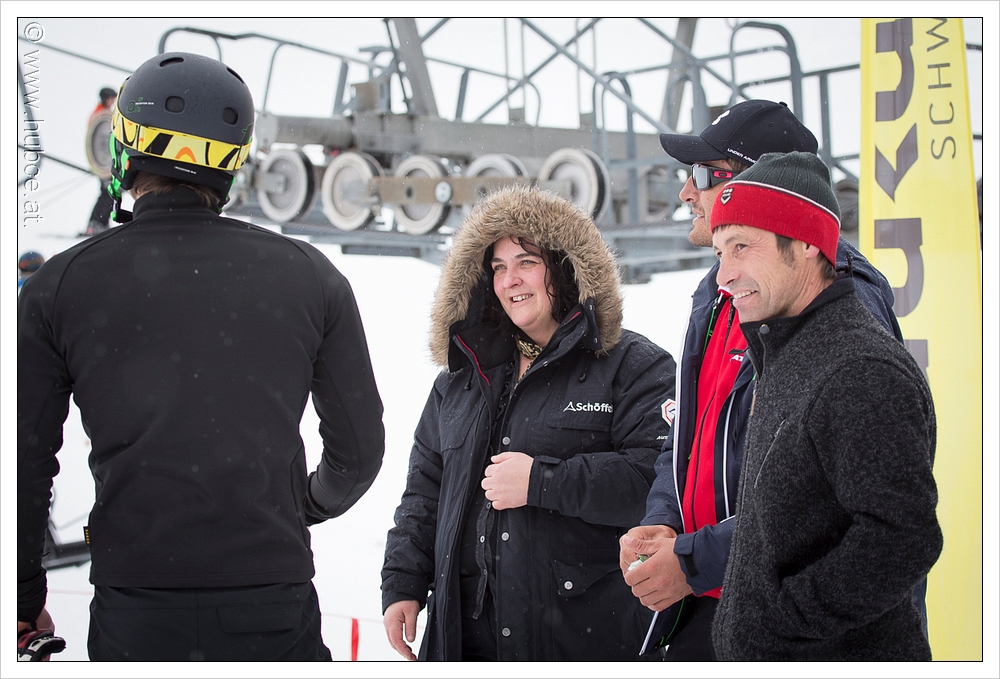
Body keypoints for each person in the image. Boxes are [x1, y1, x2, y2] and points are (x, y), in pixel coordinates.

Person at [18, 52, 385, 661]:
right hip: (272, 605)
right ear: (232, 163)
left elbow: (24, 462)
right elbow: (360, 451)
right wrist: (302, 506)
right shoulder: (310, 276)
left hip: (135, 610)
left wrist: (22, 595)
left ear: (125, 149)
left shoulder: (59, 286)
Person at [619, 99, 909, 661]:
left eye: (704, 174)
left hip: (794, 629)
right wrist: (664, 522)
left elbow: (835, 509)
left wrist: (696, 559)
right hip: (713, 605)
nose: (686, 192)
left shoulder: (841, 311)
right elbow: (689, 436)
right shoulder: (718, 291)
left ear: (765, 185)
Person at [381, 185, 676, 661]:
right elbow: (424, 492)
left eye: (526, 262)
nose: (510, 280)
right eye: (498, 267)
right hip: (462, 641)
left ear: (565, 267)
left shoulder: (634, 366)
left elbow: (655, 483)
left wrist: (542, 481)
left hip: (579, 642)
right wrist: (402, 581)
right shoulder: (460, 380)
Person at [707, 151, 941, 660]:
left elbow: (902, 537)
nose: (724, 274)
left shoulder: (859, 370)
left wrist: (780, 623)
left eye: (741, 246)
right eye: (720, 252)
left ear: (808, 242)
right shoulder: (786, 349)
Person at [82, 87, 118, 237]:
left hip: (103, 162)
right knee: (107, 193)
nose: (113, 101)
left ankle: (101, 222)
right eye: (112, 98)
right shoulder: (100, 115)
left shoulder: (101, 113)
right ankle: (96, 223)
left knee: (108, 193)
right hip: (104, 163)